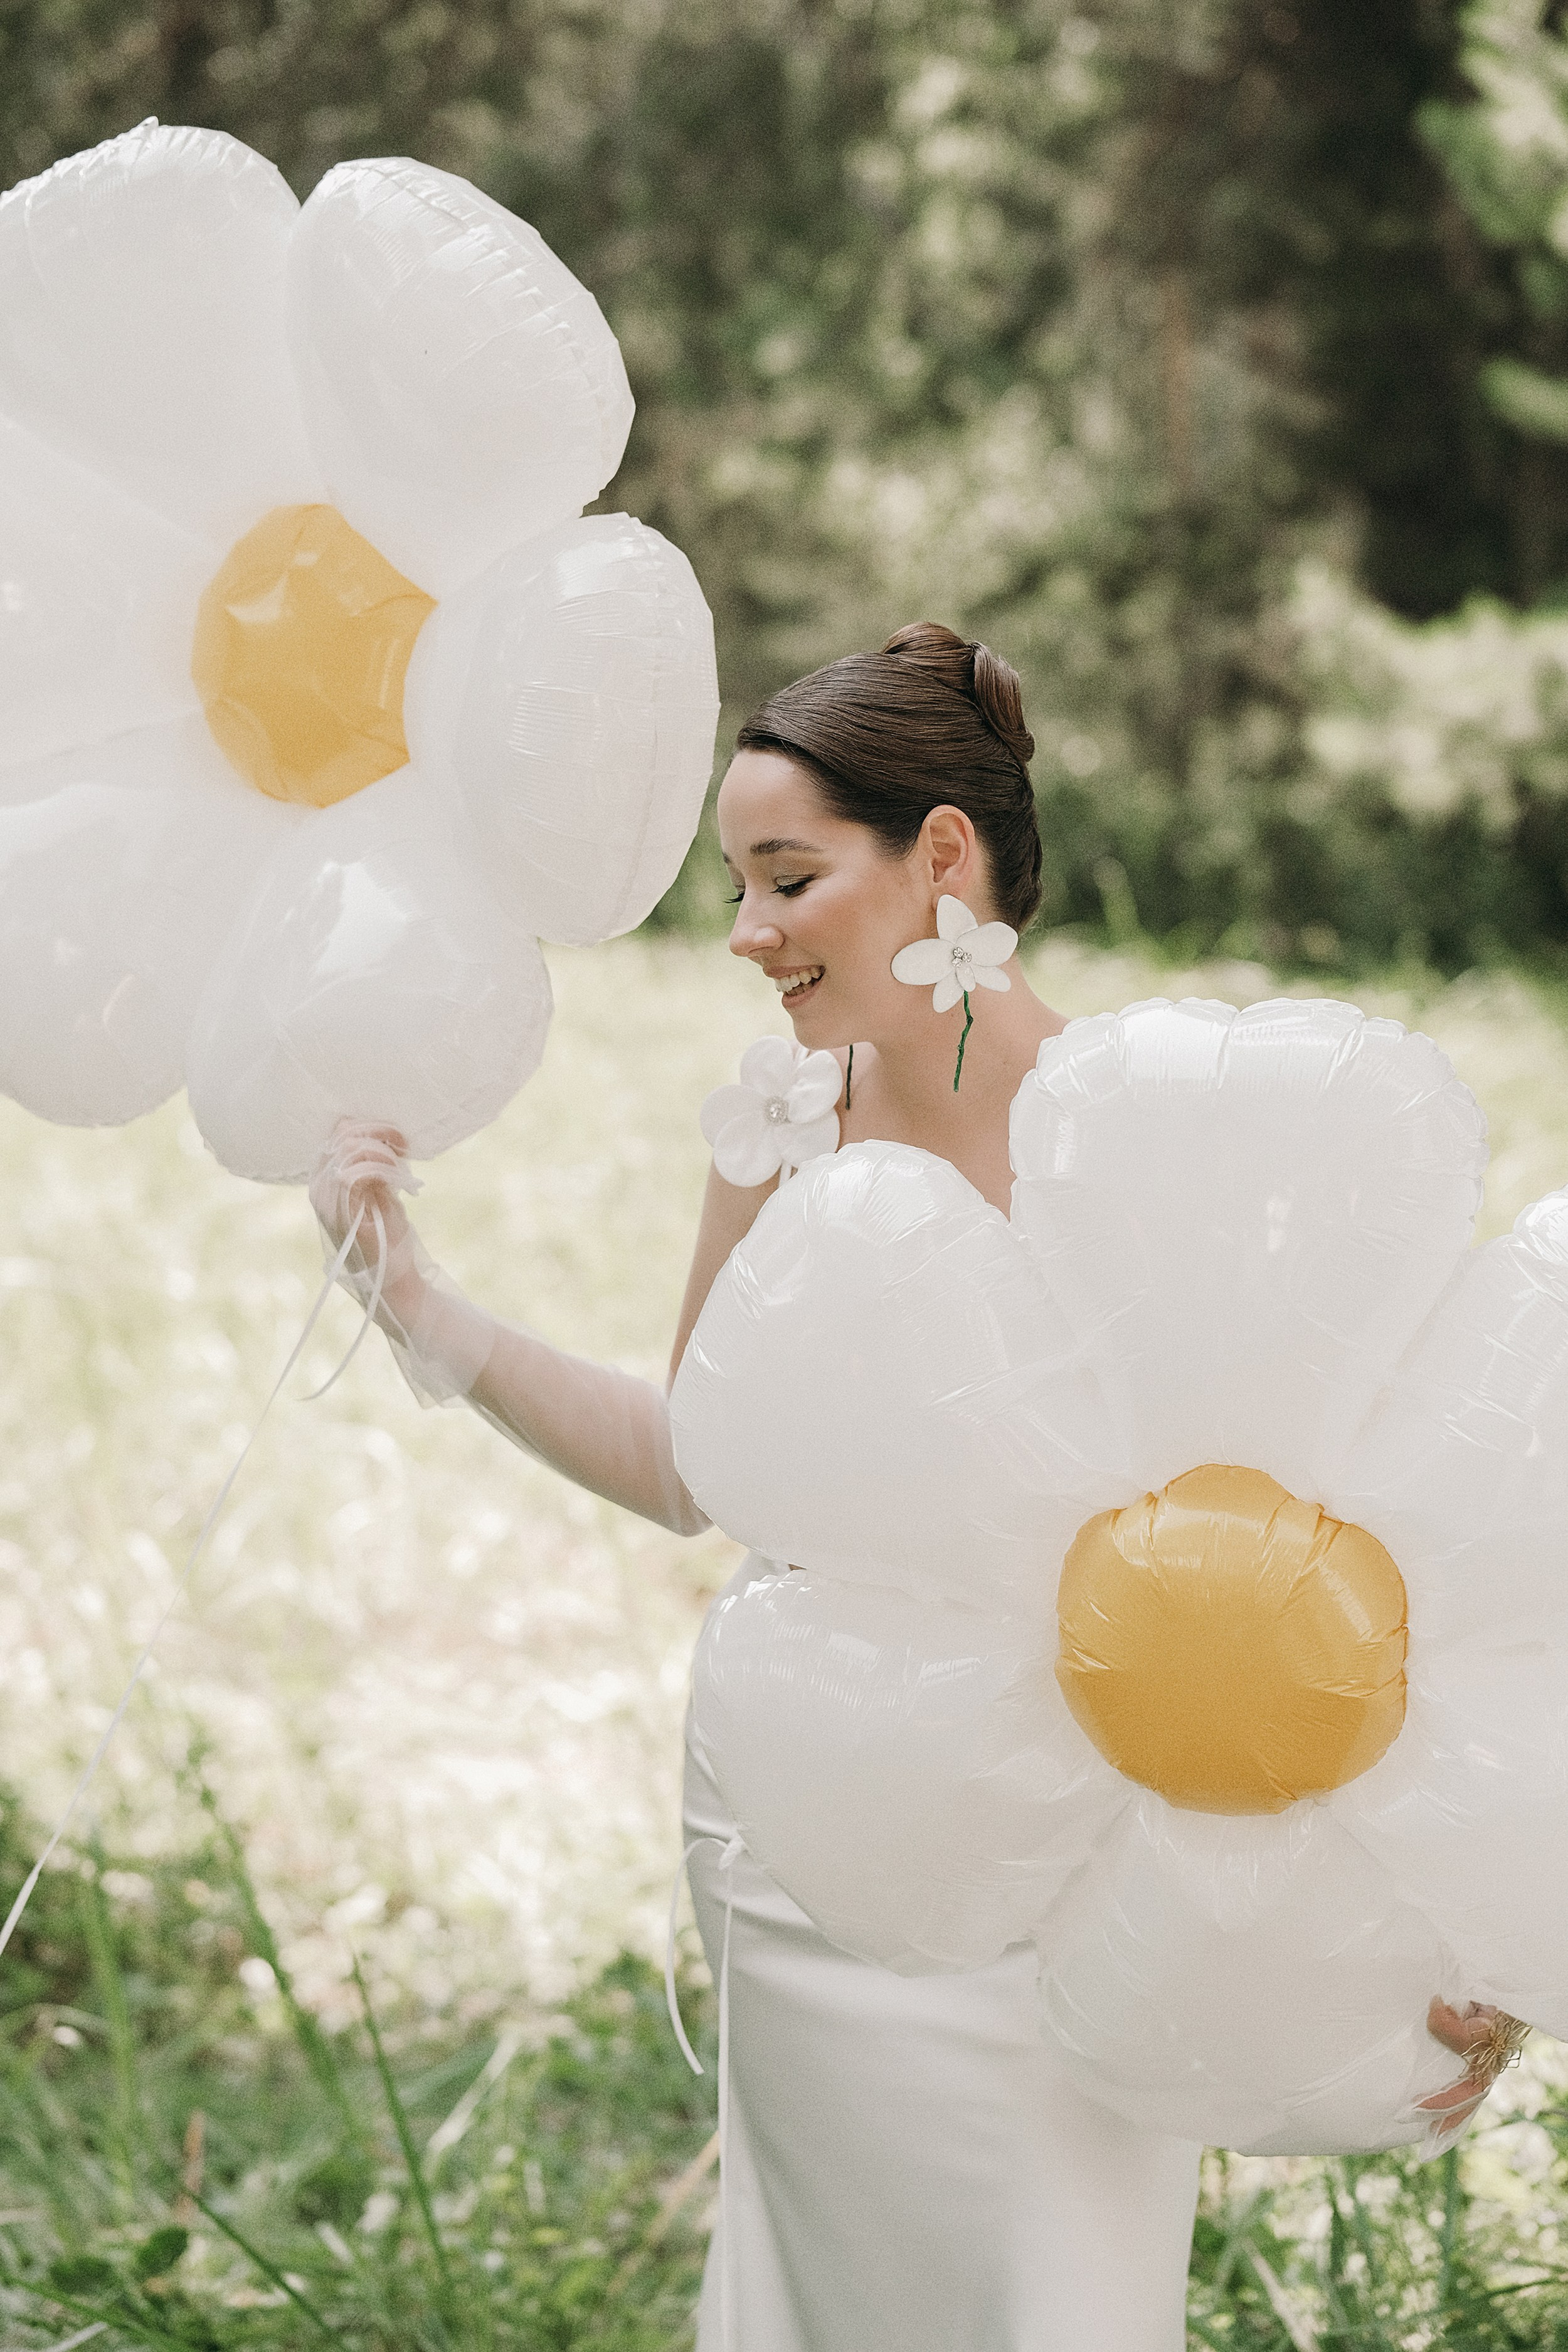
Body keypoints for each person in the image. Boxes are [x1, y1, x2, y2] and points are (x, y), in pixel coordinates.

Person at [311, 622, 1513, 2352]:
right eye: (737, 881)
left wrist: (1443, 1908)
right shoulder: (785, 1124)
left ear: (938, 859)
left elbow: (1357, 1534)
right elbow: (687, 1469)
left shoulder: (1164, 1132)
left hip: (1116, 1821)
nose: (744, 932)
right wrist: (413, 1304)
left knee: (1061, 2292)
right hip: (820, 1813)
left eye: (787, 876)